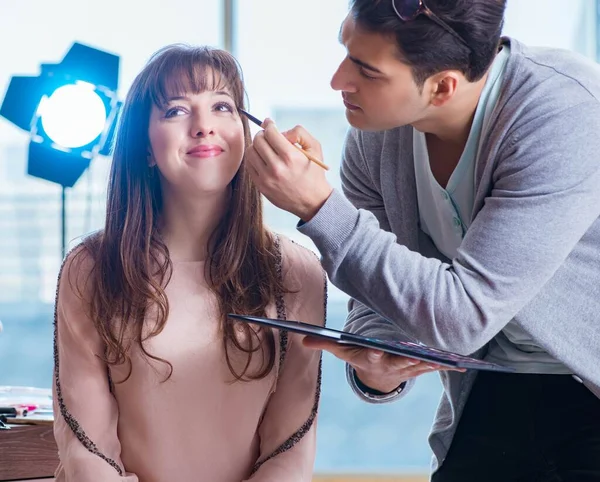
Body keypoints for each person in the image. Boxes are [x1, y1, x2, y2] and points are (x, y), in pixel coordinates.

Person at [245, 0, 600, 480]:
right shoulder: (375, 137)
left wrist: (318, 207)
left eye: (366, 70)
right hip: (489, 393)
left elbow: (462, 316)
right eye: (346, 50)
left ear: (442, 87)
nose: (337, 80)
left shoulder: (563, 115)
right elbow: (380, 282)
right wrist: (379, 355)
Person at [52, 44, 326, 482]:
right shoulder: (90, 268)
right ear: (145, 147)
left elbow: (290, 447)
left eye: (221, 106)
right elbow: (88, 449)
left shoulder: (296, 272)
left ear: (246, 132)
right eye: (177, 111)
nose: (203, 127)